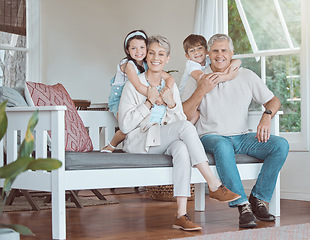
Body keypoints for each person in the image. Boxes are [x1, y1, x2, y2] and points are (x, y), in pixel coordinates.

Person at [118, 35, 240, 231]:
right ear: (146, 57)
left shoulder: (170, 85)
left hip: (160, 140)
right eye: (151, 53)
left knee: (182, 148)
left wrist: (172, 103)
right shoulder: (133, 84)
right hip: (139, 142)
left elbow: (177, 121)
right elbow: (124, 126)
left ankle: (181, 215)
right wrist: (148, 102)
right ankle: (214, 184)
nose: (156, 57)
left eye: (161, 54)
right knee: (186, 128)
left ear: (167, 59)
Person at [182, 33, 289, 228]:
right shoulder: (198, 77)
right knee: (223, 145)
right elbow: (184, 114)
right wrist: (201, 90)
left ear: (231, 53)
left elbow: (273, 100)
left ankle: (258, 198)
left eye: (224, 50)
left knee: (280, 145)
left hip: (242, 137)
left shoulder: (246, 75)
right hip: (210, 137)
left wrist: (266, 115)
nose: (220, 55)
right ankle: (242, 205)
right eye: (215, 51)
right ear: (208, 53)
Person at [101, 30, 175, 153]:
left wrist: (166, 91)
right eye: (134, 48)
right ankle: (112, 145)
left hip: (135, 99)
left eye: (142, 47)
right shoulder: (129, 65)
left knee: (140, 122)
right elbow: (138, 86)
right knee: (127, 126)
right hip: (119, 100)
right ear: (127, 50)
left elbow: (170, 78)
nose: (138, 51)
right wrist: (156, 97)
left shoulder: (147, 63)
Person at [179, 34, 241, 124]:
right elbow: (203, 79)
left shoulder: (208, 60)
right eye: (192, 50)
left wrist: (235, 64)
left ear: (207, 51)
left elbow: (237, 61)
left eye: (200, 48)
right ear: (187, 56)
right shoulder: (191, 64)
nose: (197, 53)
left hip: (198, 95)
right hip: (185, 98)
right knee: (194, 116)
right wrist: (228, 76)